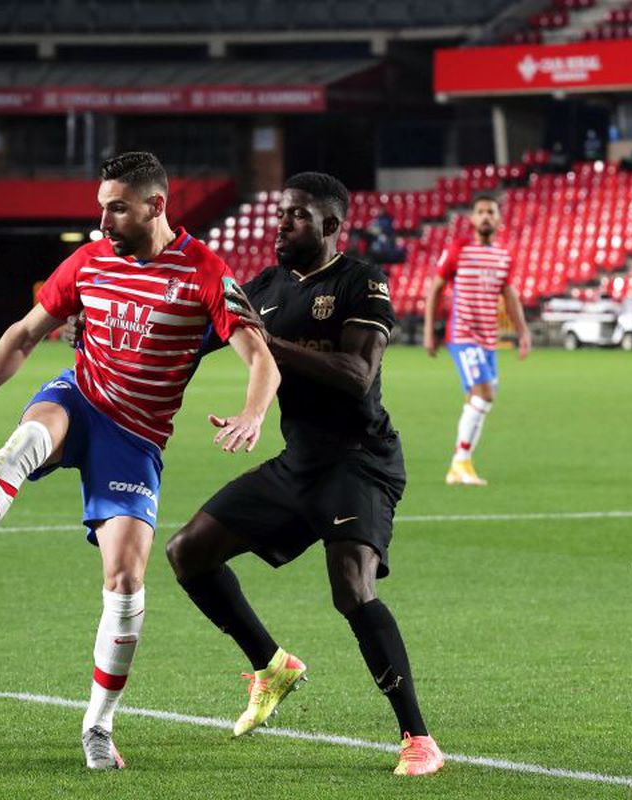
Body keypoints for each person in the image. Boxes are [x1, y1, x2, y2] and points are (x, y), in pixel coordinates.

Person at [0, 151, 280, 770]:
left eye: (117, 207)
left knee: (127, 580)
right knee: (24, 443)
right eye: (100, 206)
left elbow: (260, 356)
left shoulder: (203, 272)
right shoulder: (89, 260)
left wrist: (253, 414)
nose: (104, 220)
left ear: (155, 206)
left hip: (136, 439)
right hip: (79, 397)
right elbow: (23, 334)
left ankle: (98, 727)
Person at [164, 172, 445, 777]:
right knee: (188, 552)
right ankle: (272, 666)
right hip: (299, 463)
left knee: (351, 587)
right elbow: (200, 337)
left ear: (330, 225)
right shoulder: (265, 286)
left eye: (296, 215)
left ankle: (418, 738)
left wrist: (268, 344)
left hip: (358, 461)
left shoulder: (361, 281)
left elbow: (355, 374)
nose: (281, 224)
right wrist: (130, 343)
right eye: (280, 214)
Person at [422, 194, 531, 487]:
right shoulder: (459, 250)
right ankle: (460, 461)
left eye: (490, 212)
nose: (485, 216)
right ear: (471, 219)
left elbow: (509, 295)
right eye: (480, 211)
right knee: (485, 395)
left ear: (498, 219)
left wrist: (523, 332)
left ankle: (460, 467)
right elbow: (436, 288)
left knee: (477, 400)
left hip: (488, 339)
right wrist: (429, 330)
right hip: (463, 335)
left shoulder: (504, 256)